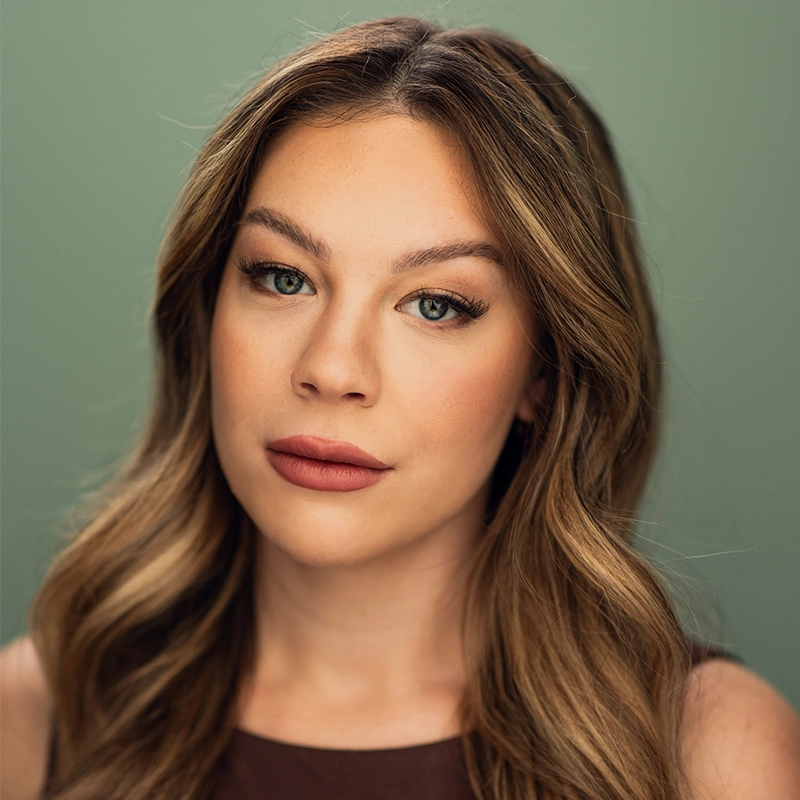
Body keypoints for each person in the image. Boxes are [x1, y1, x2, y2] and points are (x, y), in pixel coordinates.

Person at [1, 16, 799, 800]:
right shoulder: (38, 713)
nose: (332, 368)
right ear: (207, 309)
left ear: (545, 373)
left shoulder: (711, 753)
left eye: (437, 304)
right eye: (283, 277)